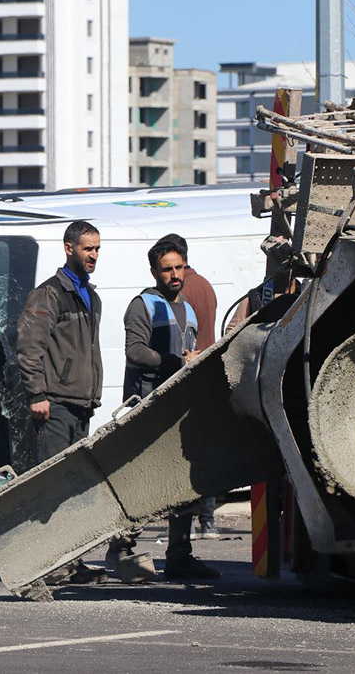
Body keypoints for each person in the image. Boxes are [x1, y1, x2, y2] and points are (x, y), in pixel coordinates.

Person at [116, 238, 219, 580]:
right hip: (146, 407)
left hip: (177, 408)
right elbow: (135, 351)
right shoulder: (143, 305)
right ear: (154, 272)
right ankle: (121, 551)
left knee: (181, 484)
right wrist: (177, 362)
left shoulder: (187, 308)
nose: (174, 275)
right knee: (140, 484)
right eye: (167, 269)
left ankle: (179, 556)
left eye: (179, 268)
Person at [16, 220, 106, 585]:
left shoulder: (89, 295)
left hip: (81, 405)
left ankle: (70, 561)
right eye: (88, 249)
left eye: (97, 249)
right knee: (50, 487)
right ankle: (46, 563)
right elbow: (28, 347)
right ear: (69, 248)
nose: (94, 256)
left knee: (74, 489)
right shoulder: (49, 294)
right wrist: (37, 393)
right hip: (55, 405)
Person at [157, 234, 219, 541]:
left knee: (182, 456)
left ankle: (188, 525)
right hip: (206, 371)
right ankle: (207, 521)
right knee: (203, 452)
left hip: (188, 371)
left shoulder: (183, 292)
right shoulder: (206, 284)